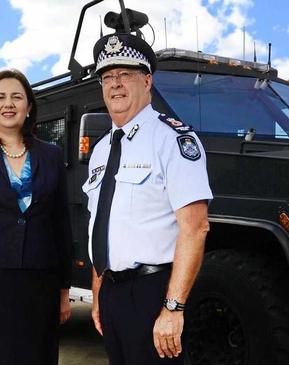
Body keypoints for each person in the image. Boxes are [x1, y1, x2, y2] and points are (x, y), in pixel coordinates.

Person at [83, 32, 212, 365]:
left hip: (153, 292)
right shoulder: (99, 151)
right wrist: (98, 291)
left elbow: (195, 229)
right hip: (110, 292)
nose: (116, 84)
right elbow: (102, 224)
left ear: (147, 80)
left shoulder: (173, 139)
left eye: (126, 74)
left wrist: (173, 308)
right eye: (108, 77)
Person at [0, 69, 73, 364]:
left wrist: (64, 290)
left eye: (17, 97)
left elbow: (61, 226)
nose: (9, 103)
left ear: (29, 107)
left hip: (41, 290)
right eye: (1, 97)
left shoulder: (51, 155)